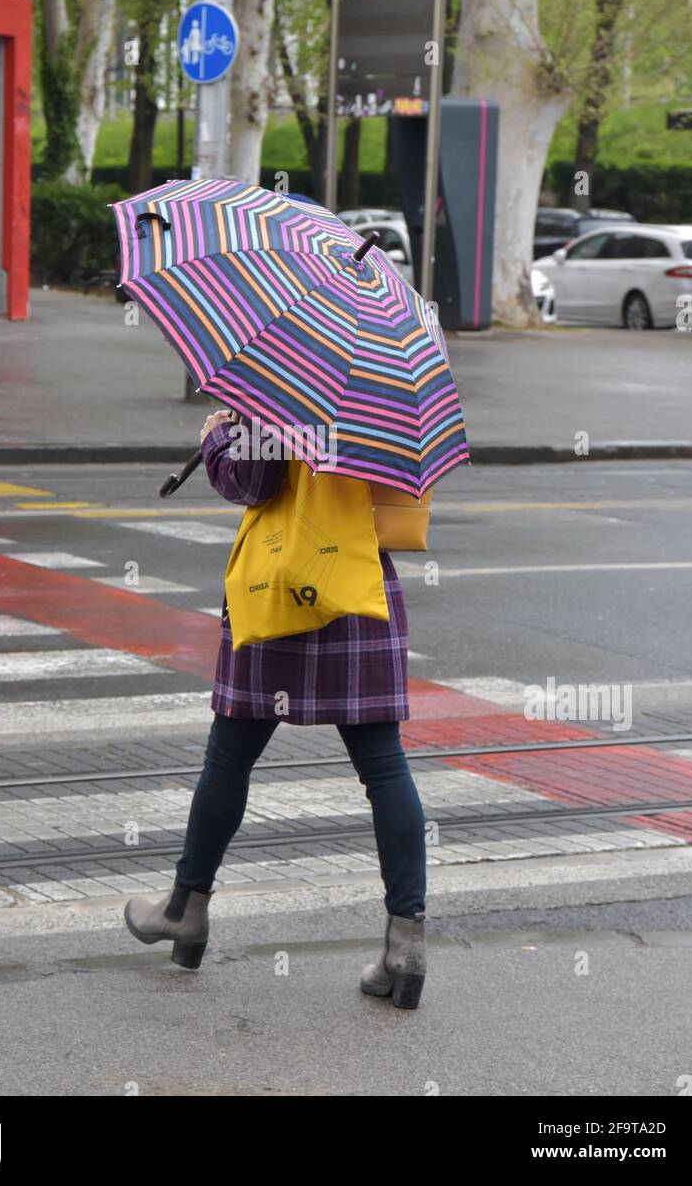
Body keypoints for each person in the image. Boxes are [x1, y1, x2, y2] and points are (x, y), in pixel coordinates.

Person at [124, 410, 428, 1010]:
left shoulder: (285, 380)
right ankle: (407, 943)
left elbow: (253, 483)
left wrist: (217, 437)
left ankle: (186, 913)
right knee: (385, 768)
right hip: (358, 591)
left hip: (282, 593)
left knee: (229, 758)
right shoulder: (385, 387)